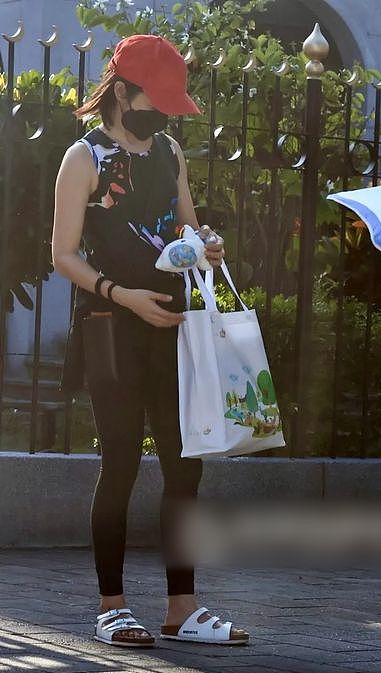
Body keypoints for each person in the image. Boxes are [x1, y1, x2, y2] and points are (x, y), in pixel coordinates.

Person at [52, 34, 249, 648]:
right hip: (113, 327)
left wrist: (207, 243)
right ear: (121, 90)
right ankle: (112, 605)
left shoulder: (168, 150)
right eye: (154, 98)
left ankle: (181, 608)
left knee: (185, 465)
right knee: (119, 462)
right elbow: (62, 255)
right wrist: (120, 294)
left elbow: (187, 225)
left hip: (175, 327)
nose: (162, 112)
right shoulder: (83, 157)